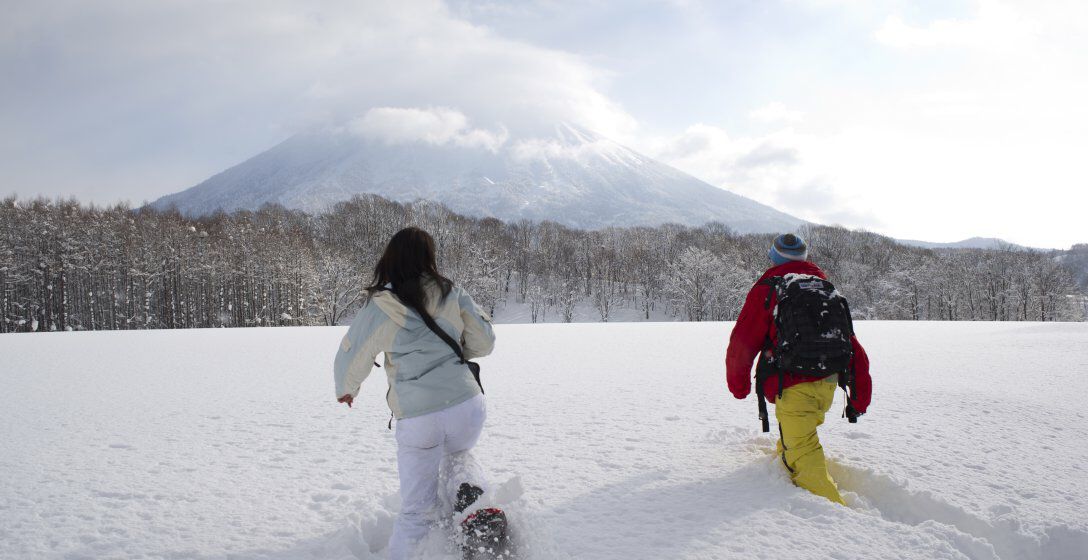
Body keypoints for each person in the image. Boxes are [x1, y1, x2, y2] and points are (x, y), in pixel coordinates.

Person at [334, 227, 499, 560]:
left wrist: (347, 390)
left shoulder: (382, 305)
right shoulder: (451, 292)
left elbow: (354, 352)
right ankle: (475, 504)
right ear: (429, 257)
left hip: (419, 415)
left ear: (390, 259)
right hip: (466, 405)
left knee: (416, 511)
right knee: (457, 455)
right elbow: (484, 341)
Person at [725, 233, 872, 505]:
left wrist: (739, 385)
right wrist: (859, 396)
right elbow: (852, 345)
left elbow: (742, 341)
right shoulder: (825, 289)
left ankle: (836, 516)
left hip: (792, 385)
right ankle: (786, 461)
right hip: (827, 381)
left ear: (773, 258)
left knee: (803, 453)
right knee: (796, 437)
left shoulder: (769, 289)